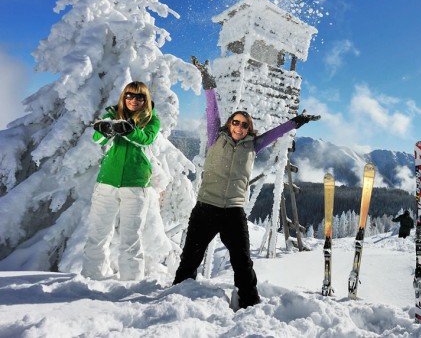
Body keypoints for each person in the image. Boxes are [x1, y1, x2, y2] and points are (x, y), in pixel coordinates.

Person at [172, 57, 319, 309]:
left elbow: (276, 132)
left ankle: (250, 302)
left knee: (242, 261)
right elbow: (212, 108)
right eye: (235, 122)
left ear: (248, 128)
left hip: (233, 211)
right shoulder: (214, 137)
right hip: (206, 207)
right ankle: (177, 299)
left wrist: (297, 121)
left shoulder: (253, 145)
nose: (239, 127)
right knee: (190, 258)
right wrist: (208, 79)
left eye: (243, 124)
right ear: (229, 124)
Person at [82, 81, 160, 281]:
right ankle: (92, 278)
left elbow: (145, 139)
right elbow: (98, 140)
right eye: (129, 96)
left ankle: (131, 282)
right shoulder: (112, 114)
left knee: (130, 237)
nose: (134, 100)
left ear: (146, 100)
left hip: (135, 185)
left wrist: (128, 130)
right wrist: (104, 130)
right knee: (97, 234)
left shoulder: (151, 120)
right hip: (107, 182)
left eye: (139, 97)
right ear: (124, 97)